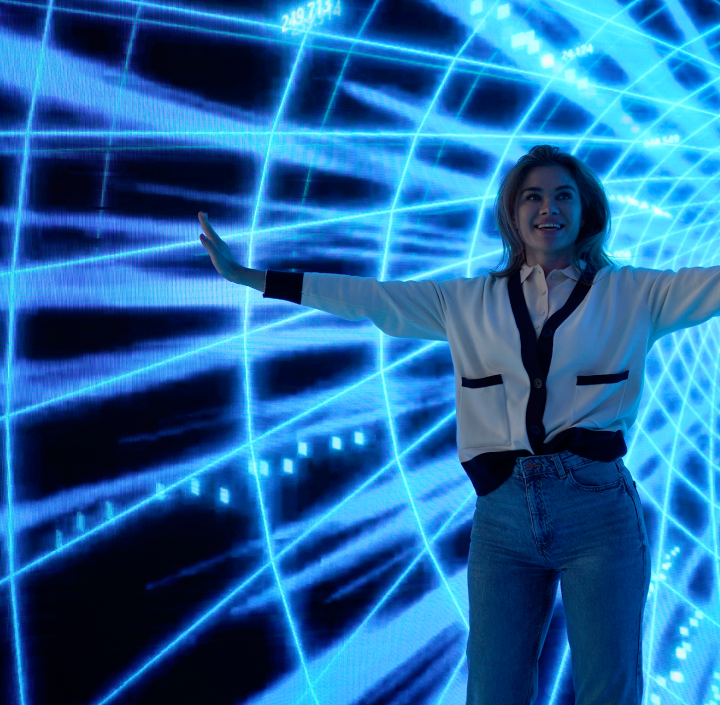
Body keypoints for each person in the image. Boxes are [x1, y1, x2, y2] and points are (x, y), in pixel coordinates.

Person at [199, 144, 719, 704]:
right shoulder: (466, 301)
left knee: (607, 690)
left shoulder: (636, 293)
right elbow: (369, 298)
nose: (550, 208)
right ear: (512, 214)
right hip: (502, 518)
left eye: (564, 195)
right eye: (533, 196)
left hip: (597, 510)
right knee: (493, 690)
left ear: (587, 209)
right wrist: (252, 277)